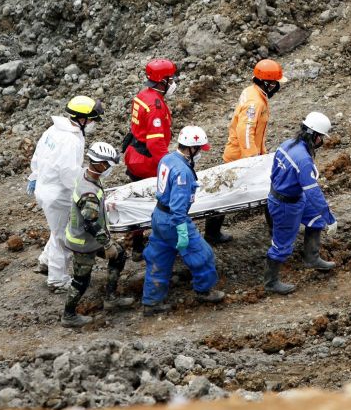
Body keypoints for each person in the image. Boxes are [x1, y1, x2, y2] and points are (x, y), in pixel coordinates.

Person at [141, 126, 225, 315]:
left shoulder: (168, 159)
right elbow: (178, 207)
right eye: (199, 149)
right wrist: (182, 231)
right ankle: (204, 291)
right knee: (202, 255)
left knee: (159, 258)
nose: (200, 153)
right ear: (191, 148)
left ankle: (151, 302)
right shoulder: (183, 173)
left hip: (159, 217)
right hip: (173, 220)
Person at [28, 96, 104, 292]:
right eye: (93, 119)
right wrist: (82, 192)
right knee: (64, 236)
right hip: (58, 193)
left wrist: (35, 175)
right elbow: (68, 174)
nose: (94, 124)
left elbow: (37, 156)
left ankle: (46, 261)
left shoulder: (53, 130)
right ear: (82, 119)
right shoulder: (71, 140)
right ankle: (57, 280)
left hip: (44, 187)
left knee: (57, 229)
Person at [209, 59, 288, 244]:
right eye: (276, 83)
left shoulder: (253, 92)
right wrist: (252, 160)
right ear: (268, 83)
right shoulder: (255, 102)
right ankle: (276, 232)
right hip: (240, 158)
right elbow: (245, 131)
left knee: (225, 194)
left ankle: (212, 232)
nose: (277, 87)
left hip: (241, 154)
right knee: (265, 191)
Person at [61, 142, 135, 327]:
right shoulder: (90, 192)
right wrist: (107, 244)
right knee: (81, 280)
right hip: (83, 243)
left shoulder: (86, 176)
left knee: (120, 256)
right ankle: (68, 315)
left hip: (92, 239)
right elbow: (90, 222)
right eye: (109, 165)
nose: (110, 169)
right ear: (101, 164)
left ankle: (110, 297)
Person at [263, 112, 337, 294]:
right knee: (282, 244)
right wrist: (330, 217)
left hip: (291, 196)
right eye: (321, 138)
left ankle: (312, 258)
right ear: (314, 136)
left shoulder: (286, 145)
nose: (322, 142)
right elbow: (313, 192)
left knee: (316, 219)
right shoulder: (303, 160)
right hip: (286, 205)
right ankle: (271, 282)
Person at [122, 58, 177, 258]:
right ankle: (161, 241)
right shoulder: (155, 106)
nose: (173, 83)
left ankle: (136, 243)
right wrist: (172, 165)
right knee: (161, 199)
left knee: (139, 199)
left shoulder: (143, 95)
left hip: (134, 154)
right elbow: (155, 143)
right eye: (171, 79)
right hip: (146, 161)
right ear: (162, 81)